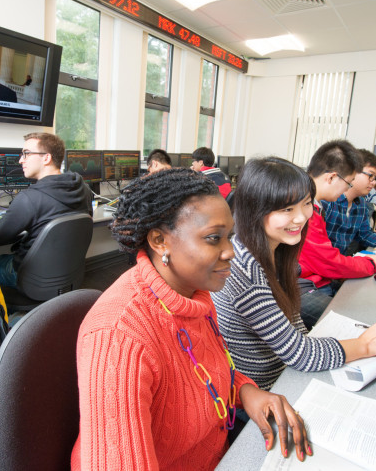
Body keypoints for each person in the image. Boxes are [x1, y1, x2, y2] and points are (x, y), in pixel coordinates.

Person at [72, 168, 312, 470]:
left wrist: (246, 391)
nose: (230, 252)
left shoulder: (194, 292)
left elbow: (201, 371)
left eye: (230, 237)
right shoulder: (117, 336)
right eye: (213, 239)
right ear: (160, 240)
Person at [211, 157, 376, 390]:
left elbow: (293, 322)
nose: (302, 217)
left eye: (306, 203)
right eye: (287, 209)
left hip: (285, 372)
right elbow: (299, 354)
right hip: (266, 387)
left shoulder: (274, 250)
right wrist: (364, 345)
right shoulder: (245, 269)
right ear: (255, 210)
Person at [297, 140, 376, 328]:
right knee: (356, 324)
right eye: (348, 182)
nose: (348, 188)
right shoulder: (302, 209)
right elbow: (327, 261)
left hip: (315, 279)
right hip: (300, 286)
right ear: (331, 178)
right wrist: (369, 264)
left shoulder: (313, 204)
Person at [0, 132, 92, 288]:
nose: (20, 160)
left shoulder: (29, 198)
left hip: (29, 276)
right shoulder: (84, 189)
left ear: (46, 158)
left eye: (26, 154)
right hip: (68, 272)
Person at [324, 149, 376, 256]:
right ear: (352, 171)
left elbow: (365, 235)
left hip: (340, 264)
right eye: (370, 176)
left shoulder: (361, 204)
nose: (373, 183)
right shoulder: (328, 202)